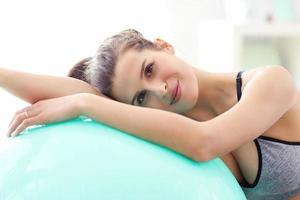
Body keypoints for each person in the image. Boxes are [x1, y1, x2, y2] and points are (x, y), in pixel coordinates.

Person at [1, 29, 300, 199]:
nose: (160, 90)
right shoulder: (176, 125)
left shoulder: (272, 81)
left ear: (163, 46)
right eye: (141, 98)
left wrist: (84, 104)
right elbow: (81, 92)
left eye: (150, 69)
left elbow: (205, 142)